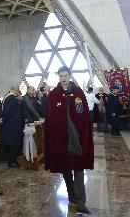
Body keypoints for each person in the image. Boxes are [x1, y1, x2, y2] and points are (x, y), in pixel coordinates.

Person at [45, 66, 93, 214]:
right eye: (61, 76)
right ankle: (72, 195)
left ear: (70, 76)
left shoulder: (78, 93)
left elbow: (85, 116)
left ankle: (81, 203)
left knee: (79, 170)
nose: (63, 78)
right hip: (61, 141)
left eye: (65, 75)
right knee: (66, 171)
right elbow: (50, 118)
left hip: (78, 140)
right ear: (58, 77)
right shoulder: (54, 95)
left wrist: (84, 136)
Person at [2, 86, 26, 168]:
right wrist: (19, 101)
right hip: (12, 126)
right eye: (18, 90)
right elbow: (9, 112)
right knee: (12, 144)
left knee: (14, 144)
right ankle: (11, 162)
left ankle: (13, 161)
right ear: (15, 90)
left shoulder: (10, 97)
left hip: (12, 125)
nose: (19, 91)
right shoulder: (11, 98)